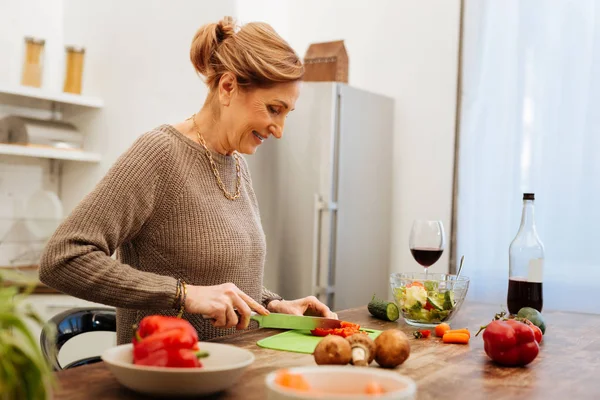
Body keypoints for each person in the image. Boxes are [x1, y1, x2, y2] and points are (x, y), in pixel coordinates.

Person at [39, 16, 336, 345]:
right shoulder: (159, 153)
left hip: (233, 370)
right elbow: (62, 258)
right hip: (165, 374)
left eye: (285, 115)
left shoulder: (236, 163)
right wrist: (182, 295)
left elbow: (215, 275)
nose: (279, 130)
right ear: (228, 87)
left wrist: (272, 304)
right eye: (273, 109)